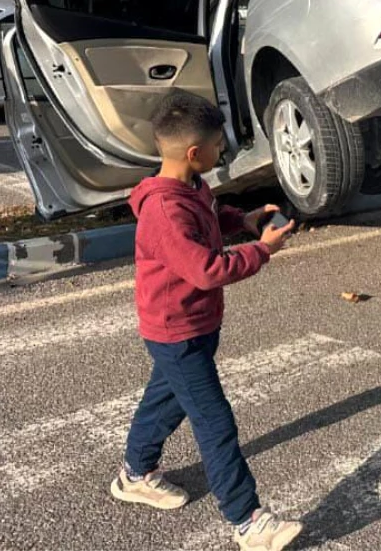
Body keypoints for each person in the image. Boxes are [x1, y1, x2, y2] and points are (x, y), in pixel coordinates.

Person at [111, 91, 303, 551]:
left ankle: (135, 474)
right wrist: (263, 251)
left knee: (166, 401)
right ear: (194, 153)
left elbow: (214, 216)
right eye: (219, 146)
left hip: (195, 326)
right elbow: (206, 269)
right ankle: (249, 521)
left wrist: (247, 218)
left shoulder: (192, 187)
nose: (224, 152)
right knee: (215, 424)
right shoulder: (163, 210)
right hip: (175, 331)